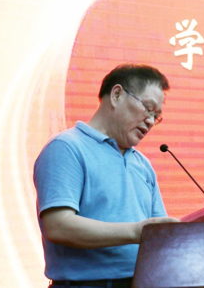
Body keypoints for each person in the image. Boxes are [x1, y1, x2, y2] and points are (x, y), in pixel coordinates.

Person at [33, 64, 179, 288]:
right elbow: (58, 226)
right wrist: (135, 232)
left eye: (156, 116)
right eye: (148, 108)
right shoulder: (67, 148)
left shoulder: (142, 164)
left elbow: (156, 234)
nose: (150, 121)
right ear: (117, 94)